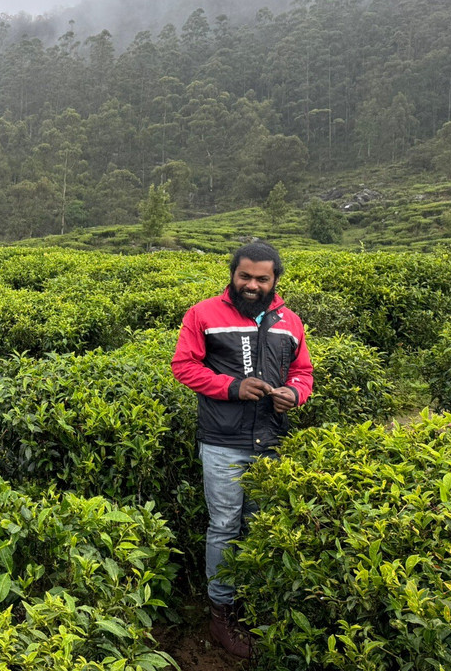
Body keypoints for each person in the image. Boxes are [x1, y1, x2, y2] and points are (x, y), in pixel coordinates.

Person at [171, 241, 313, 659]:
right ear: (233, 274)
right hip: (223, 441)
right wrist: (232, 387)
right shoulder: (203, 314)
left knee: (260, 524)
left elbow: (303, 372)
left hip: (271, 438)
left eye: (261, 278)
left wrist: (295, 393)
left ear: (274, 280)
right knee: (225, 526)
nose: (251, 285)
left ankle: (252, 599)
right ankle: (221, 612)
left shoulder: (290, 321)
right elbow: (184, 366)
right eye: (244, 276)